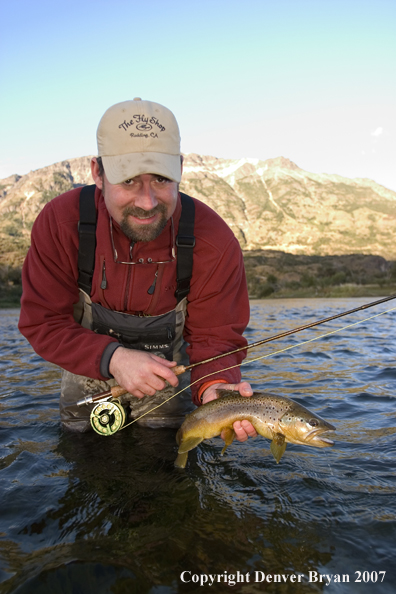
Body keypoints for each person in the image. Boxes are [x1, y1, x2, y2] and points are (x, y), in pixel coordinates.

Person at [19, 98, 257, 443]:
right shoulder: (60, 223)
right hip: (85, 360)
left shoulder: (214, 240)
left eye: (161, 179)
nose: (147, 201)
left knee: (164, 453)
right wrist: (113, 358)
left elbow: (216, 338)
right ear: (97, 173)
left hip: (169, 372)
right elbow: (43, 321)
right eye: (129, 181)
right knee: (80, 444)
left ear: (180, 168)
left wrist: (214, 387)